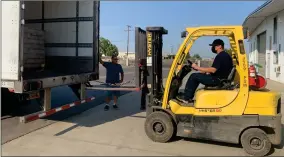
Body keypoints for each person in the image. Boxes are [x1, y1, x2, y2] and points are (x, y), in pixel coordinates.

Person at [177, 39, 233, 103]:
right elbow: (217, 69)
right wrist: (203, 71)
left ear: (220, 46)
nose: (213, 48)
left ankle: (186, 98)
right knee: (197, 75)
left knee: (193, 76)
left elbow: (213, 70)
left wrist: (197, 67)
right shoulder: (225, 55)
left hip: (217, 80)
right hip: (219, 78)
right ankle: (188, 97)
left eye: (215, 46)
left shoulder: (221, 56)